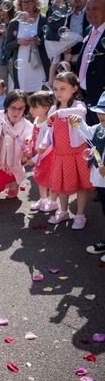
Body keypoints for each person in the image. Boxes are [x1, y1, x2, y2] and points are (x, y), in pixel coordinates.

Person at [46, 72, 91, 229]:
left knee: (82, 185)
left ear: (74, 88)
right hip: (60, 154)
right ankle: (63, 211)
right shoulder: (53, 107)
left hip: (78, 153)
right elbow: (49, 129)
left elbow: (79, 114)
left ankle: (80, 215)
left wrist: (59, 113)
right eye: (55, 89)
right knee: (62, 184)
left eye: (63, 88)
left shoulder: (78, 105)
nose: (58, 93)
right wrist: (45, 143)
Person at [74, 92, 105, 261]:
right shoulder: (99, 128)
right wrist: (78, 122)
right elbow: (87, 132)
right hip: (101, 180)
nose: (102, 122)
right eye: (100, 118)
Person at [4, 0, 50, 93]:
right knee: (24, 94)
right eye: (24, 2)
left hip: (40, 64)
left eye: (30, 1)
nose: (27, 4)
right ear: (19, 4)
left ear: (36, 2)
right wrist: (18, 42)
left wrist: (39, 42)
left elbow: (49, 42)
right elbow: (7, 45)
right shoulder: (14, 22)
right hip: (22, 66)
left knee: (41, 94)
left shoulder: (42, 19)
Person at [77, 0, 105, 125]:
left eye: (95, 8)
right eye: (88, 8)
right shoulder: (89, 29)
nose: (90, 12)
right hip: (87, 98)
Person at [27, 90, 57, 212]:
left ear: (46, 108)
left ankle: (53, 202)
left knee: (50, 179)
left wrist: (35, 159)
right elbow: (35, 133)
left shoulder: (48, 124)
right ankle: (43, 199)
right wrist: (30, 138)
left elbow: (49, 145)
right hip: (38, 155)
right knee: (40, 179)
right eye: (30, 107)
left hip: (47, 157)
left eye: (34, 107)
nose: (30, 110)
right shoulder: (37, 119)